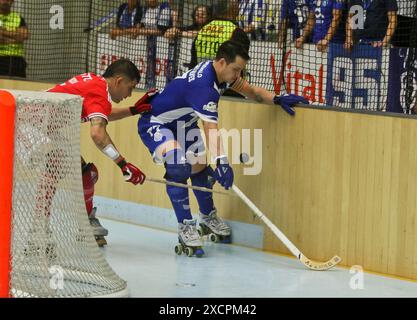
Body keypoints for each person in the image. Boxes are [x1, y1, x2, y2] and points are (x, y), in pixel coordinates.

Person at [137, 40, 308, 257]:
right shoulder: (204, 87)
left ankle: (208, 218)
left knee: (202, 173)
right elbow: (210, 128)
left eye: (240, 70)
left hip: (184, 124)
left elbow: (252, 92)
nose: (238, 74)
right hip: (156, 123)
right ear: (221, 62)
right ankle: (186, 227)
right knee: (178, 166)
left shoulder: (222, 75)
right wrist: (222, 160)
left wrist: (276, 99)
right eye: (236, 69)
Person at [45, 59, 155, 246]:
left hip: (37, 124)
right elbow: (97, 133)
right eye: (130, 87)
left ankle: (77, 225)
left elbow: (102, 112)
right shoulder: (99, 93)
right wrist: (122, 164)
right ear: (119, 81)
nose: (129, 94)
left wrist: (133, 110)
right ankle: (40, 231)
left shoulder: (94, 83)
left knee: (80, 172)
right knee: (57, 173)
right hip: (31, 126)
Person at [0, 0, 29, 77]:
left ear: (12, 1)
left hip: (16, 61)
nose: (5, 1)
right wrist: (15, 35)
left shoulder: (18, 18)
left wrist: (2, 31)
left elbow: (24, 35)